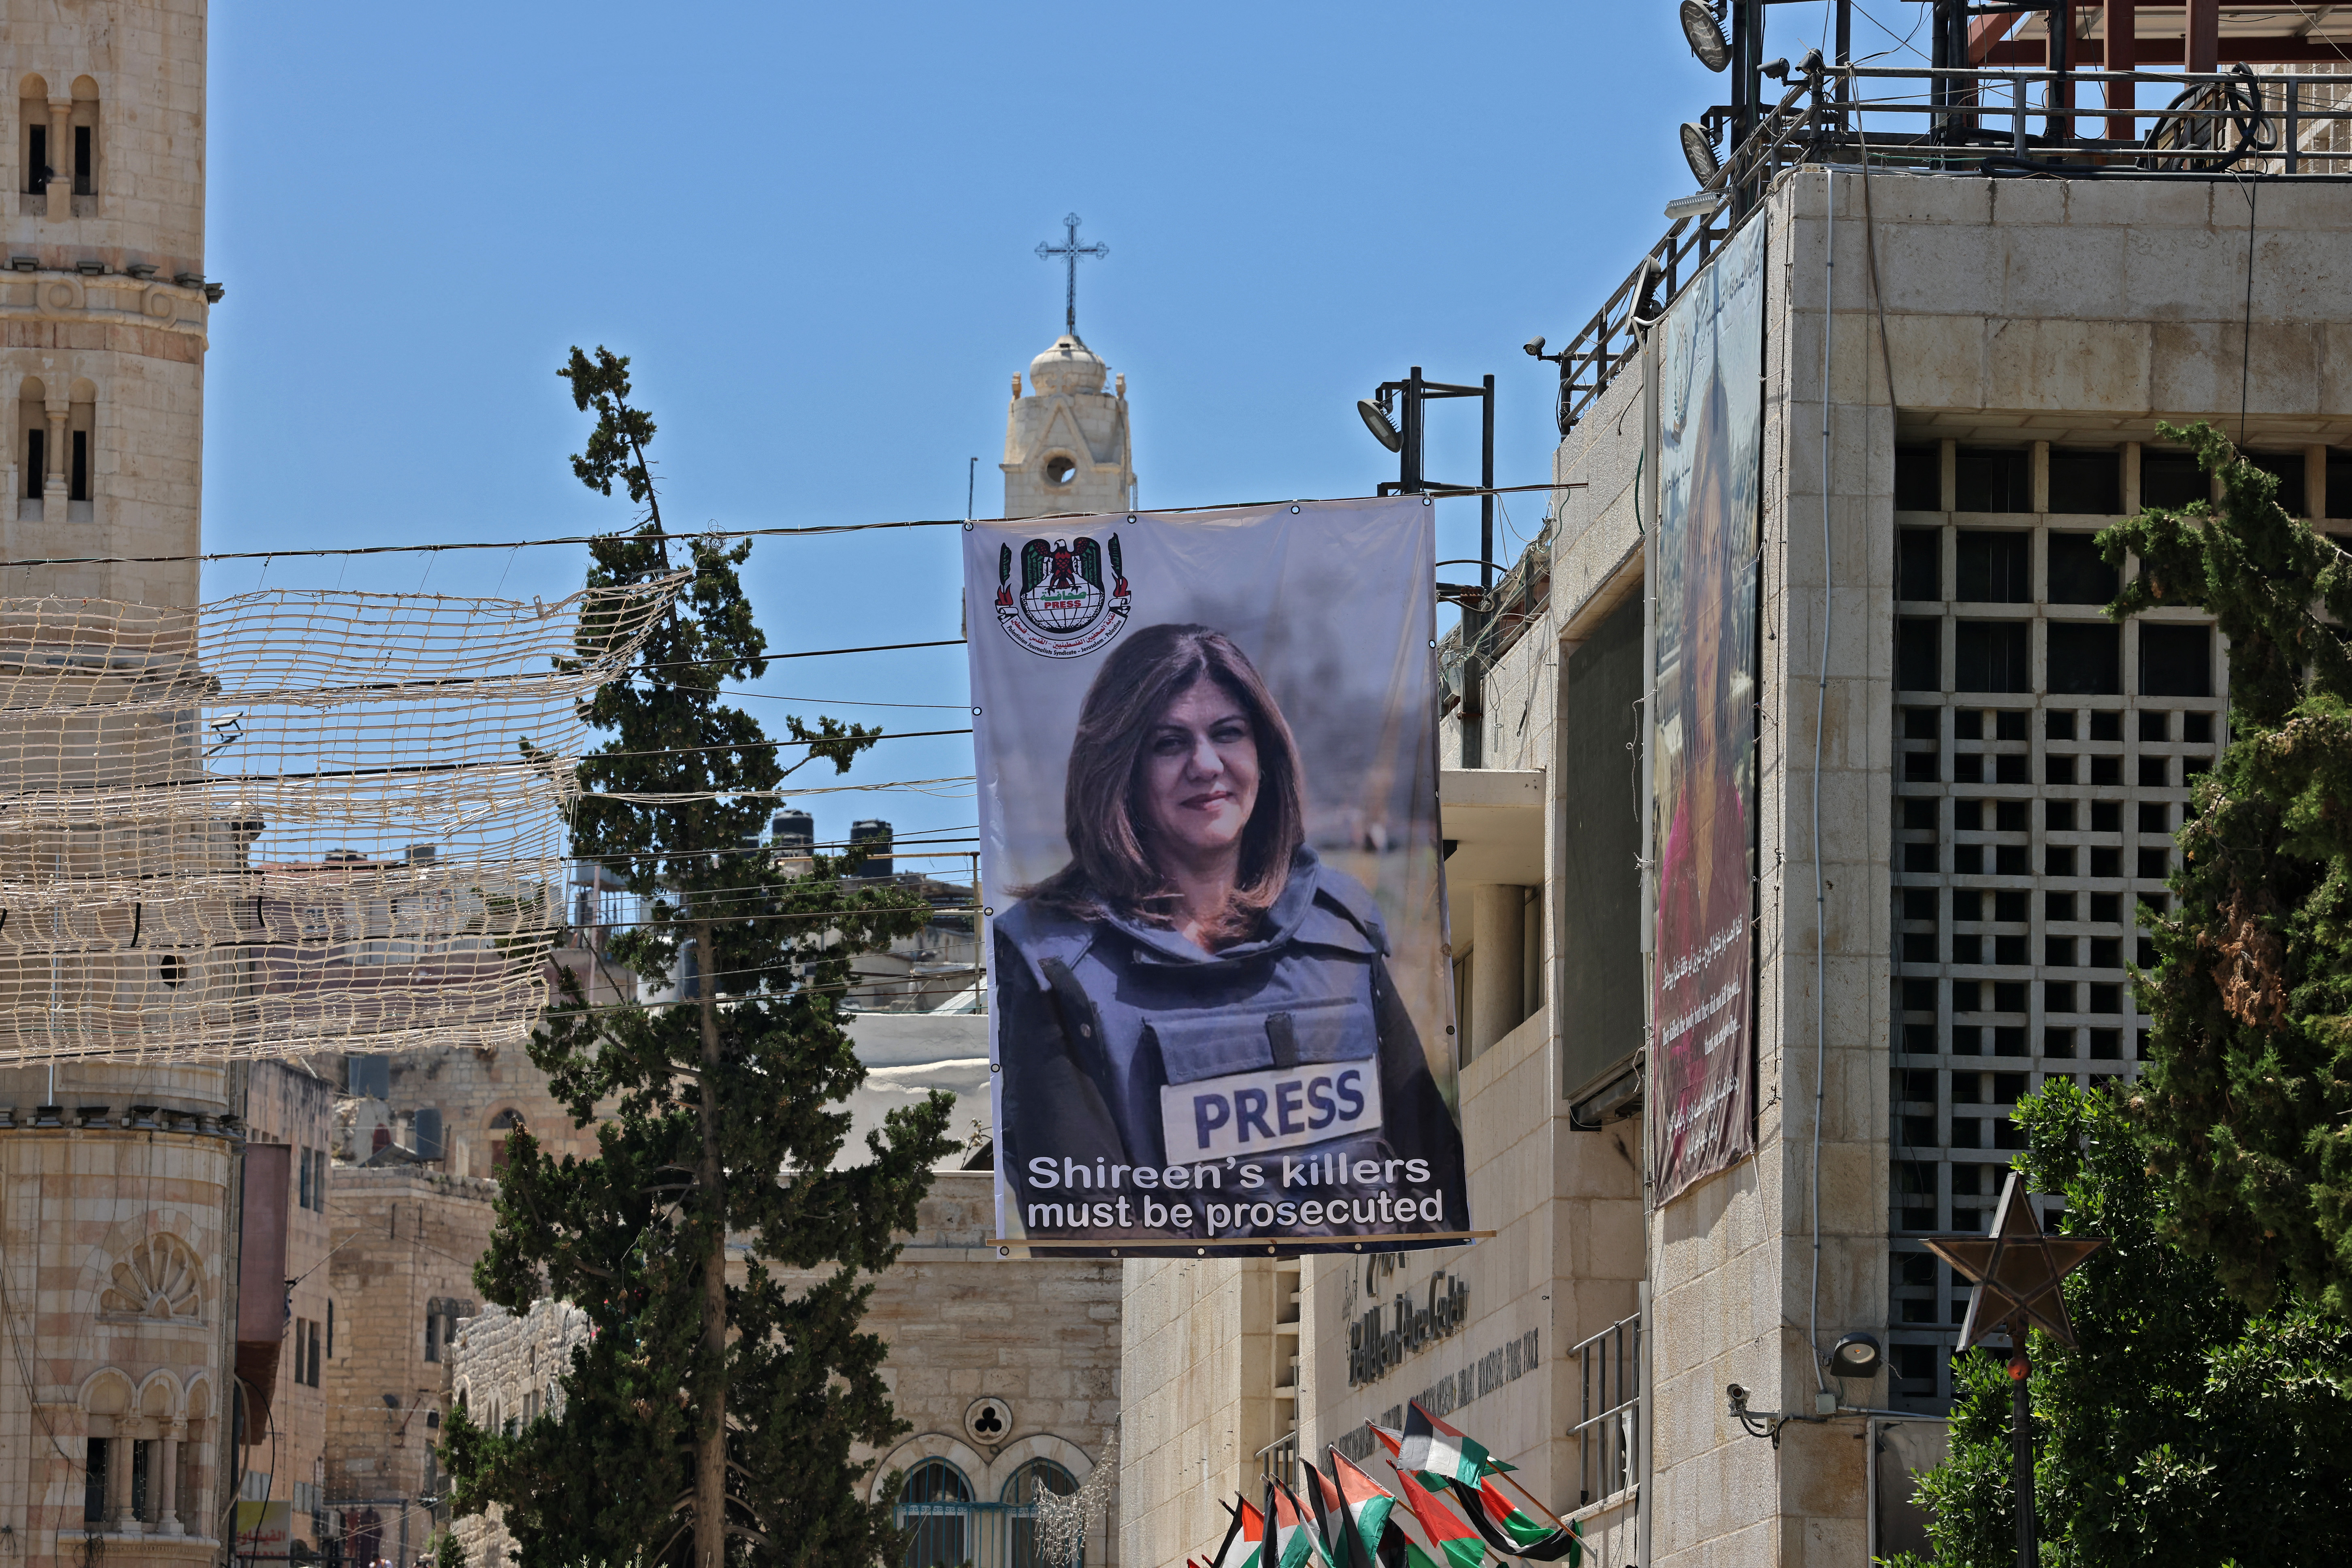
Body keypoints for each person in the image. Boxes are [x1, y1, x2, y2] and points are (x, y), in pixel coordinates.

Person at [993, 622, 1465, 1246]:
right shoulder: (1048, 958)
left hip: (1374, 1321)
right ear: (1120, 769)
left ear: (1264, 756)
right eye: (1168, 743)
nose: (1206, 766)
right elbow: (1085, 1230)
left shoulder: (1342, 924)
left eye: (1228, 734)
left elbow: (1436, 1178)